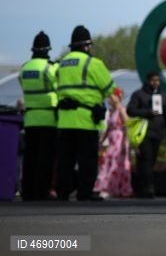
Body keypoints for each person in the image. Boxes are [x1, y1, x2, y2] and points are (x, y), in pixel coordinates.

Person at [55, 25, 116, 201]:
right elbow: (109, 89)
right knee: (87, 159)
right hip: (86, 120)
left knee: (65, 159)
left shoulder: (61, 64)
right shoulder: (93, 63)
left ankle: (63, 192)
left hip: (65, 120)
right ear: (86, 46)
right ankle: (84, 192)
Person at [18, 31, 58, 201]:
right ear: (48, 49)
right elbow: (59, 87)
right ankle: (42, 191)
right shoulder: (50, 68)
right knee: (45, 158)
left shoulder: (24, 68)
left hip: (30, 119)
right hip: (48, 119)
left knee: (30, 157)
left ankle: (27, 191)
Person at [126, 71, 166, 198]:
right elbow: (130, 110)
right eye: (153, 80)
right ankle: (149, 188)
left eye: (157, 80)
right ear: (148, 81)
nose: (155, 83)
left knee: (150, 160)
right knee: (146, 159)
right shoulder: (139, 94)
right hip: (144, 132)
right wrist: (147, 112)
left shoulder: (163, 96)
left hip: (158, 133)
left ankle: (141, 187)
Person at [94, 88, 132, 198]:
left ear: (118, 97)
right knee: (108, 162)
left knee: (116, 163)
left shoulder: (121, 110)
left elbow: (126, 126)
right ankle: (108, 187)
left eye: (112, 97)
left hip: (119, 140)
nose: (109, 99)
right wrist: (102, 141)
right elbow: (108, 128)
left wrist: (125, 143)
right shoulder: (112, 111)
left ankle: (112, 188)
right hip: (112, 140)